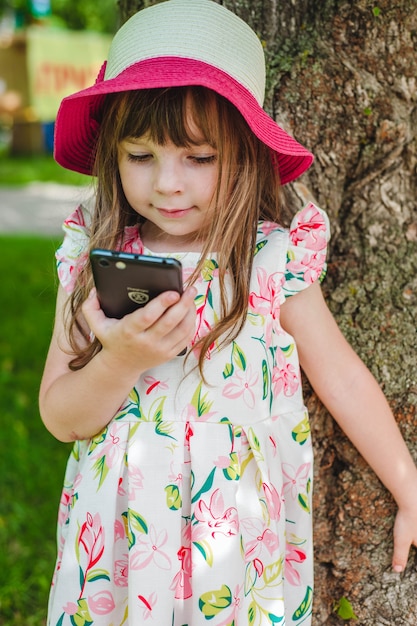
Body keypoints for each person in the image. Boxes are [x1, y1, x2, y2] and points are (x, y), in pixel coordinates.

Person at [39, 1, 417, 624]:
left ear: (241, 152)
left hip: (234, 551)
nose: (168, 184)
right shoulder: (93, 262)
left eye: (199, 158)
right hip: (117, 554)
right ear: (112, 152)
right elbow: (60, 415)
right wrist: (121, 362)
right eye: (141, 156)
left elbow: (342, 377)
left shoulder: (270, 262)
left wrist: (407, 487)